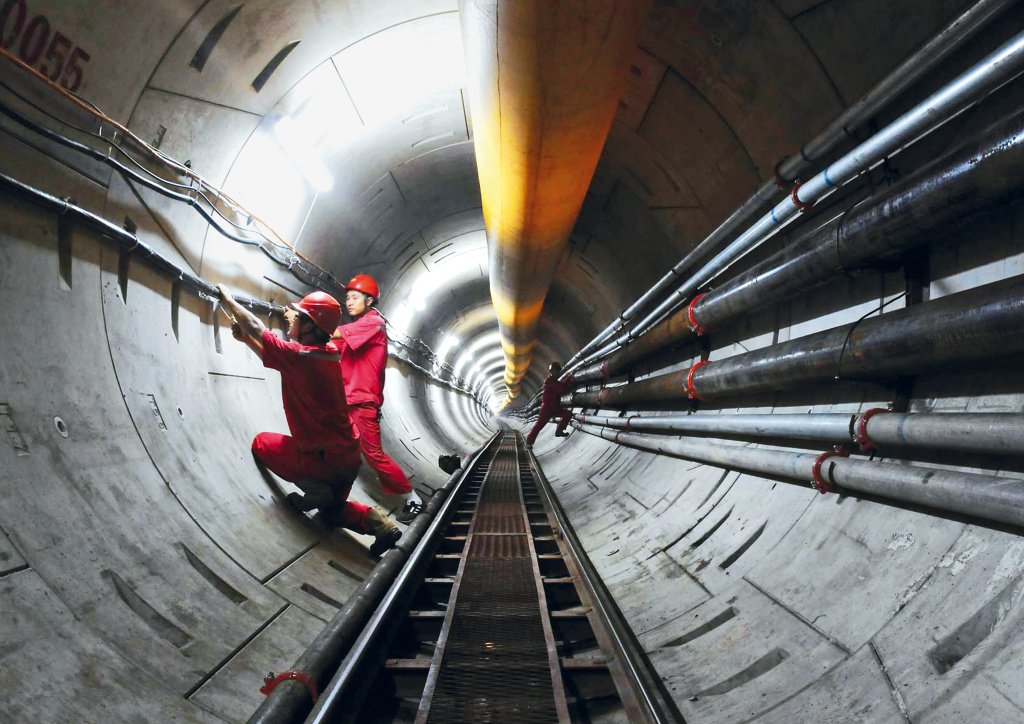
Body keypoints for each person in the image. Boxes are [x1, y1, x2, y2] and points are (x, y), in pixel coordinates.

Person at [217, 283, 402, 557]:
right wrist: (246, 340)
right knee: (332, 513)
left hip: (322, 460)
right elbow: (278, 358)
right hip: (347, 458)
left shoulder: (300, 356)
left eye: (299, 316)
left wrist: (228, 298)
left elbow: (257, 326)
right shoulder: (325, 354)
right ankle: (380, 524)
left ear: (310, 325)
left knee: (262, 443)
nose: (290, 317)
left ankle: (314, 487)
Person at [332, 274, 421, 522]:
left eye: (354, 297)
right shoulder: (355, 332)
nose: (348, 302)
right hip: (347, 401)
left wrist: (310, 318)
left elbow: (336, 333)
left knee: (374, 455)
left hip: (362, 403)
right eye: (346, 298)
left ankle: (413, 499)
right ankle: (332, 499)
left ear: (369, 301)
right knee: (338, 452)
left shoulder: (373, 323)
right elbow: (332, 345)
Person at [525, 361, 573, 447]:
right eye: (555, 371)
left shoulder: (554, 381)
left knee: (568, 414)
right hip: (547, 409)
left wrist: (567, 380)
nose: (557, 373)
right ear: (551, 372)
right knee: (539, 426)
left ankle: (559, 431)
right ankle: (529, 442)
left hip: (555, 407)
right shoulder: (549, 381)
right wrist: (568, 380)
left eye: (558, 371)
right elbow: (562, 389)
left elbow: (560, 387)